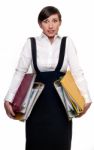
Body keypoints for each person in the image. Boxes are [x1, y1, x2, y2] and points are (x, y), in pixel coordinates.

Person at [4, 6, 91, 150]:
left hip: (61, 105)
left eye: (54, 21)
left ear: (60, 23)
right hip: (36, 104)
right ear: (40, 24)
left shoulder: (67, 42)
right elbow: (20, 72)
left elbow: (77, 73)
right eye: (46, 21)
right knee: (35, 143)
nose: (50, 25)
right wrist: (8, 98)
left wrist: (86, 99)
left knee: (61, 143)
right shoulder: (31, 43)